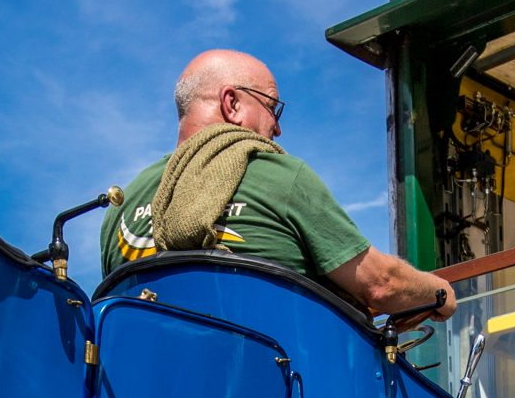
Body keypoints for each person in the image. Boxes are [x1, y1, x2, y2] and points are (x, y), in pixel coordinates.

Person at [102, 49, 454, 318]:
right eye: (272, 108)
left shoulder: (121, 204)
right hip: (267, 396)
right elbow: (381, 285)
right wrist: (441, 294)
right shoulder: (277, 175)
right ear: (233, 103)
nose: (278, 128)